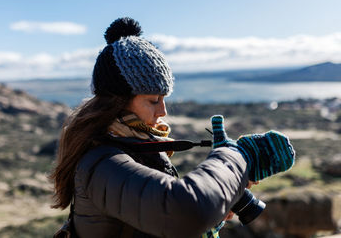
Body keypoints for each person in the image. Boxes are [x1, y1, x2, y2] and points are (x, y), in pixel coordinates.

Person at [50, 17, 295, 238]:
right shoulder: (101, 164)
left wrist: (217, 211)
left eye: (164, 99)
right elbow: (183, 212)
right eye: (153, 100)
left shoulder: (136, 147)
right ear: (118, 102)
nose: (163, 111)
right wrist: (238, 158)